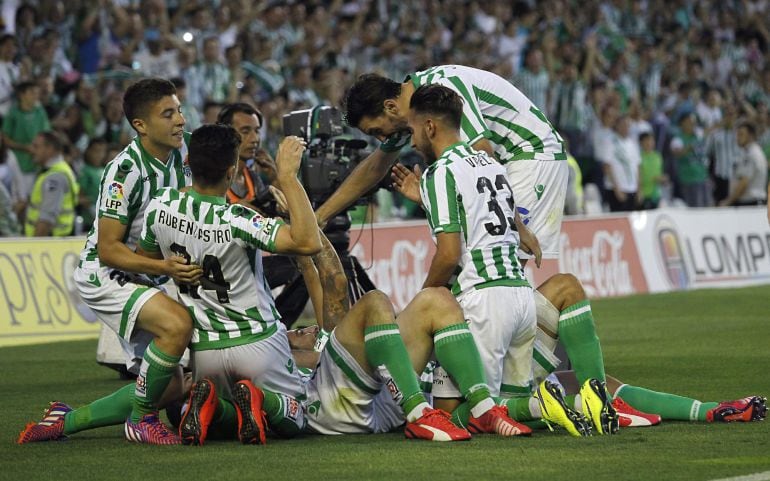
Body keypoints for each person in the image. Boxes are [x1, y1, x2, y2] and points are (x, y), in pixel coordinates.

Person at [391, 84, 615, 436]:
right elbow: (482, 215)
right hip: (521, 300)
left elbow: (449, 254)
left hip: (485, 304)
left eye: (413, 129)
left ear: (430, 127)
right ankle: (557, 403)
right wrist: (425, 199)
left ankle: (543, 403)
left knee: (453, 415)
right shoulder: (491, 164)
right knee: (503, 405)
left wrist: (428, 300)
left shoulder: (439, 173)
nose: (411, 139)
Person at [18, 78, 201, 446]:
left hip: (141, 272)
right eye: (168, 114)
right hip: (105, 273)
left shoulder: (178, 160)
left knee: (172, 385)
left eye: (179, 109)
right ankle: (141, 421)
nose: (180, 120)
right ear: (141, 125)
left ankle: (64, 422)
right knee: (178, 325)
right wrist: (166, 269)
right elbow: (108, 250)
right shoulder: (125, 172)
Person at [136, 125, 322, 445]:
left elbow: (147, 260)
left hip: (204, 351)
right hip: (257, 342)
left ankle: (210, 403)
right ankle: (265, 400)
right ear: (231, 170)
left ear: (188, 164)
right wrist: (288, 177)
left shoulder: (160, 206)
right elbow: (308, 242)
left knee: (229, 419)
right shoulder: (238, 218)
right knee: (297, 417)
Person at [319, 65, 571, 265]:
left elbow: (483, 155)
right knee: (479, 266)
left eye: (376, 130)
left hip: (532, 155)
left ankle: (560, 303)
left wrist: (514, 224)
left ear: (390, 107)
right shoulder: (414, 110)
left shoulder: (444, 88)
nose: (381, 139)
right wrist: (320, 215)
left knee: (502, 265)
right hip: (505, 165)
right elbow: (374, 168)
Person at [525, 273, 766, 426]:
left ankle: (708, 410)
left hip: (502, 357)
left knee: (596, 381)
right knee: (567, 287)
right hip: (501, 372)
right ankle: (597, 405)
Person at [215, 102, 276, 209]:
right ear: (225, 132)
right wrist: (232, 210)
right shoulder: (211, 177)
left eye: (257, 131)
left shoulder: (253, 178)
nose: (255, 139)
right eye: (245, 131)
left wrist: (275, 178)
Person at [1, 80, 51, 202]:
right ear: (21, 95)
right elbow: (5, 139)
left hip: (37, 164)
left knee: (34, 199)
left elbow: (47, 134)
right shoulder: (13, 114)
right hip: (18, 164)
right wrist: (25, 147)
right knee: (19, 199)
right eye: (32, 93)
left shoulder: (40, 112)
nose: (36, 96)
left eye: (37, 93)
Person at [23, 131, 78, 237]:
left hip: (49, 244)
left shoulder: (55, 177)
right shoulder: (53, 170)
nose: (31, 150)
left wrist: (33, 247)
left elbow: (46, 219)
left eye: (36, 146)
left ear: (50, 149)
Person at [719, 122, 768, 207]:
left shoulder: (751, 154)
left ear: (751, 136)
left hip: (751, 202)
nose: (737, 138)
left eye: (741, 134)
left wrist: (728, 201)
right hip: (755, 201)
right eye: (737, 134)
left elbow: (744, 182)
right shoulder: (754, 151)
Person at [638, 132, 666, 209]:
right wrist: (639, 192)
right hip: (644, 194)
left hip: (657, 194)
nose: (649, 143)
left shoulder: (658, 156)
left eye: (651, 140)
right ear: (641, 142)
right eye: (647, 140)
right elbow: (638, 175)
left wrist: (663, 179)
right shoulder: (638, 157)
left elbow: (660, 173)